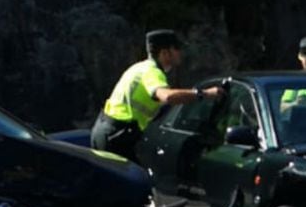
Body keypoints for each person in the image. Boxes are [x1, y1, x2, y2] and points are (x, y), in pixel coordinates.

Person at [91, 30, 221, 161]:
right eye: (177, 49)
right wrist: (205, 94)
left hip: (105, 131)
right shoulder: (152, 72)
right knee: (134, 180)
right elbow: (167, 97)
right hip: (117, 137)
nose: (180, 53)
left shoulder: (139, 67)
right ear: (165, 53)